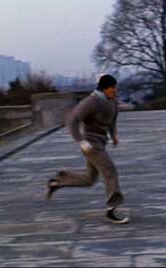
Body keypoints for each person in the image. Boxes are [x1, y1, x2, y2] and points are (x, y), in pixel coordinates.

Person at [45, 74, 129, 224]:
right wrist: (81, 141)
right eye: (112, 88)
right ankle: (112, 210)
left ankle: (57, 181)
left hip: (101, 142)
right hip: (91, 145)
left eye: (116, 88)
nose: (115, 91)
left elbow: (113, 119)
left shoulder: (112, 101)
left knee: (90, 179)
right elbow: (72, 120)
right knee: (110, 172)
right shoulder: (92, 101)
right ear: (104, 88)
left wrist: (114, 135)